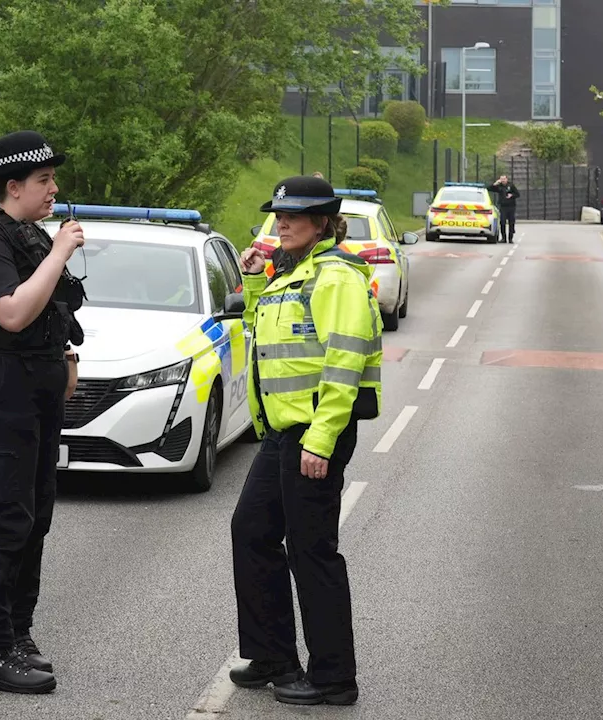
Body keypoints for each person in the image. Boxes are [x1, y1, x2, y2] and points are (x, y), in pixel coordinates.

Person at [229, 175, 383, 706]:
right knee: (251, 531)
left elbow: (344, 362)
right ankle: (273, 655)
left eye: (294, 215)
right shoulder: (289, 275)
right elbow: (265, 342)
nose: (282, 222)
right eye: (278, 214)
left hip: (315, 433)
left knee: (312, 550)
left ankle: (335, 677)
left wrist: (320, 440)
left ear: (321, 222)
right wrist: (252, 283)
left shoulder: (336, 277)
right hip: (281, 433)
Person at [0, 130, 87, 695]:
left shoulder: (23, 233)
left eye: (52, 179)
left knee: (36, 514)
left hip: (35, 384)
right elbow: (11, 313)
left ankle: (18, 633)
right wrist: (58, 252)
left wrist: (66, 355)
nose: (55, 189)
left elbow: (50, 310)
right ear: (11, 186)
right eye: (45, 181)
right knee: (6, 520)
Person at [490, 174, 520, 243]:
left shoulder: (511, 185)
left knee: (511, 222)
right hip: (503, 207)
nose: (503, 180)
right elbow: (489, 188)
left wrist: (512, 195)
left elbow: (518, 194)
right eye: (501, 179)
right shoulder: (499, 186)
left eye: (504, 179)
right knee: (502, 222)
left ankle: (510, 238)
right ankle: (503, 238)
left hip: (511, 207)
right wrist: (495, 183)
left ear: (507, 179)